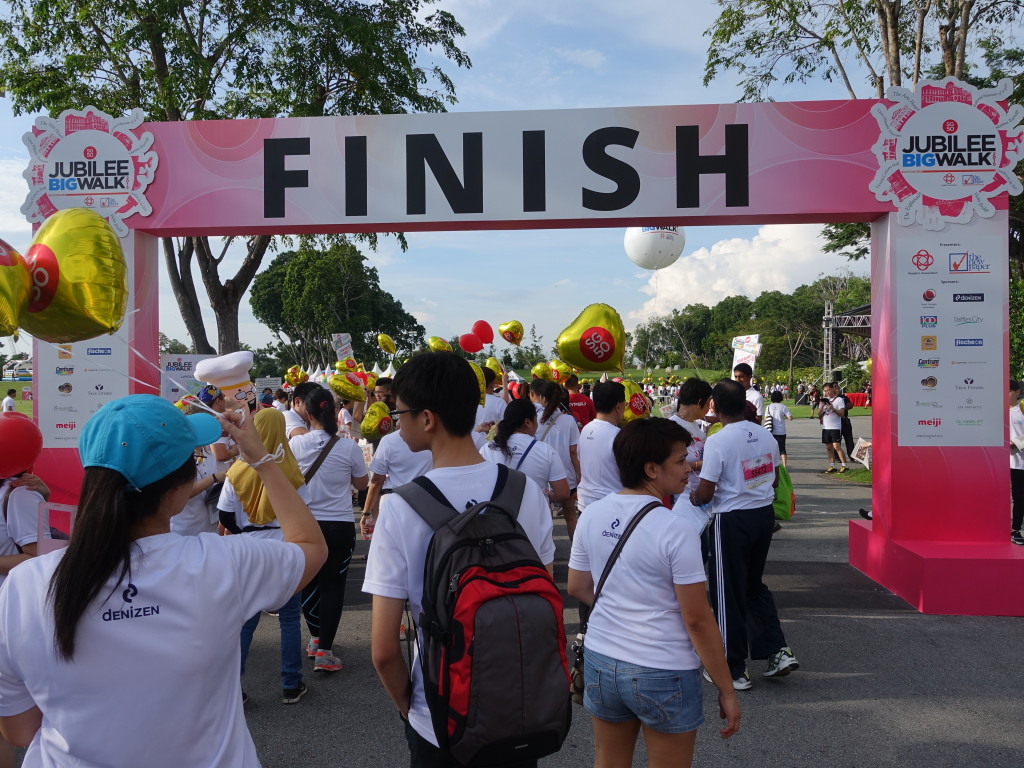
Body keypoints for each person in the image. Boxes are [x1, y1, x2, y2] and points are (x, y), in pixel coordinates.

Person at [0, 395, 326, 765]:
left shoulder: (25, 585)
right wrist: (262, 459)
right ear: (178, 490)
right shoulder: (221, 562)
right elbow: (311, 546)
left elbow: (20, 731)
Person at [363, 352, 555, 768]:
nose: (396, 421)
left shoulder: (400, 509)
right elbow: (542, 596)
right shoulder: (525, 492)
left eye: (401, 412)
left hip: (440, 714)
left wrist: (409, 709)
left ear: (427, 418)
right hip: (519, 708)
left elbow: (382, 651)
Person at [567, 418, 740, 768]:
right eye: (679, 461)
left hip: (602, 660)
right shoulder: (675, 528)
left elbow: (577, 586)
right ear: (651, 469)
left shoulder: (591, 514)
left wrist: (625, 607)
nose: (688, 469)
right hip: (662, 668)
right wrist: (726, 688)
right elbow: (697, 620)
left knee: (608, 762)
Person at [689, 380, 797, 690]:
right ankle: (777, 650)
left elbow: (706, 490)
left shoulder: (719, 441)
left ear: (714, 407)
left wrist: (695, 498)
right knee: (752, 586)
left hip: (731, 520)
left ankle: (733, 668)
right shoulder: (764, 435)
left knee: (725, 593)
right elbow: (775, 480)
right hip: (762, 517)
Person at [218, 407, 313, 704]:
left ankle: (234, 688)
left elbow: (225, 516)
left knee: (246, 619)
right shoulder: (291, 470)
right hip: (286, 546)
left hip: (247, 549)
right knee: (288, 618)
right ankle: (290, 683)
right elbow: (303, 515)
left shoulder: (237, 470)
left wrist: (248, 532)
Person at [290, 386, 369, 671]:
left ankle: (314, 638)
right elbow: (362, 484)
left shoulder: (294, 445)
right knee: (333, 586)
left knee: (308, 582)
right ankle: (324, 650)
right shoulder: (348, 446)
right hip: (339, 525)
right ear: (335, 413)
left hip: (305, 525)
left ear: (307, 414)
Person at [480, 398, 570, 506]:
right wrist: (549, 495)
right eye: (536, 420)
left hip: (498, 517)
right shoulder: (545, 450)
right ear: (527, 422)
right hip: (534, 516)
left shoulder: (487, 448)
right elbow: (563, 493)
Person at [529, 379, 581, 537]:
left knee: (546, 519)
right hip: (566, 477)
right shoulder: (569, 420)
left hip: (542, 476)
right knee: (571, 518)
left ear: (542, 398)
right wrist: (579, 473)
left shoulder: (534, 420)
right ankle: (575, 555)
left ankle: (548, 554)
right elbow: (573, 451)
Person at [361, 429, 434, 533]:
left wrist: (366, 512)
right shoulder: (434, 437)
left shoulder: (389, 440)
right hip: (427, 502)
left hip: (395, 503)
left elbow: (377, 481)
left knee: (391, 546)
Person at [576, 381, 626, 511]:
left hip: (585, 503)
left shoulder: (585, 430)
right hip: (610, 506)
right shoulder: (618, 436)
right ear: (618, 406)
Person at [670, 378, 713, 495]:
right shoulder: (671, 429)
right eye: (709, 402)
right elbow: (668, 467)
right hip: (684, 498)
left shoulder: (695, 424)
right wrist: (701, 465)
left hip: (703, 494)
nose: (709, 408)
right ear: (699, 403)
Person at [818, 382, 849, 473]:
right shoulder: (824, 400)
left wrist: (833, 409)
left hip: (835, 427)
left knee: (837, 446)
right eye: (825, 391)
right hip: (825, 427)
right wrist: (822, 406)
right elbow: (818, 413)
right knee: (829, 447)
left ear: (833, 389)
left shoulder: (839, 400)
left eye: (828, 390)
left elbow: (842, 414)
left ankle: (844, 465)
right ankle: (832, 465)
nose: (827, 392)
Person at [1009, 380, 1024, 546]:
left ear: (1017, 392)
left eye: (1009, 391)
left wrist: (1015, 443)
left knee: (1018, 497)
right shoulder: (997, 412)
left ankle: (1015, 530)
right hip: (999, 463)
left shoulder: (1022, 410)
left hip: (1019, 462)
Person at [765, 391, 794, 467]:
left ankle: (771, 465)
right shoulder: (783, 407)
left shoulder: (769, 406)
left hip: (771, 431)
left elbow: (765, 418)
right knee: (782, 449)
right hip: (781, 431)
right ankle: (784, 465)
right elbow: (790, 417)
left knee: (771, 449)